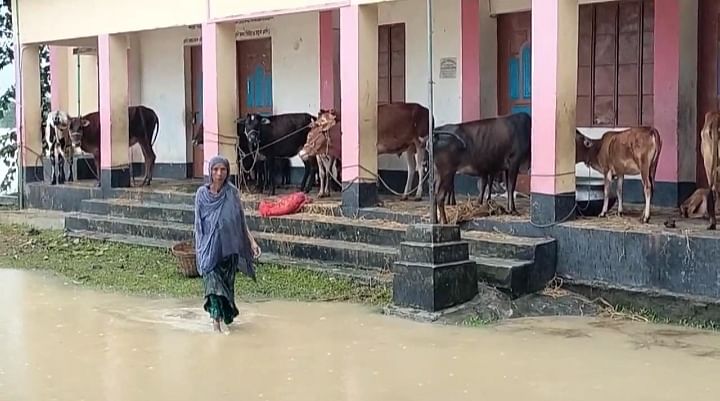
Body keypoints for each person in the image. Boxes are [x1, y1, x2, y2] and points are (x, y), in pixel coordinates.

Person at [194, 155, 261, 333]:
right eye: (215, 169)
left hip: (228, 249)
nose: (219, 173)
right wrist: (200, 249)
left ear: (228, 172)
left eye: (223, 169)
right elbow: (198, 225)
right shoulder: (201, 194)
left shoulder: (232, 192)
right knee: (213, 287)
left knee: (226, 288)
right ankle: (216, 325)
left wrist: (251, 242)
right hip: (209, 248)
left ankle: (223, 317)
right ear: (210, 171)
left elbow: (240, 220)